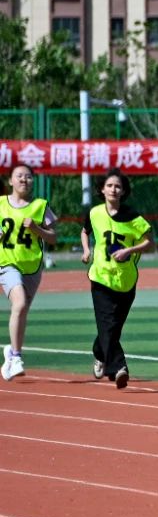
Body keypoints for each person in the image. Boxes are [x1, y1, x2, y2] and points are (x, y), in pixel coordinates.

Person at [79, 168, 153, 389]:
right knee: (107, 324)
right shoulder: (94, 213)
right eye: (109, 185)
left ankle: (99, 352)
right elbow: (84, 231)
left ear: (123, 191)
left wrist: (129, 250)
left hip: (126, 280)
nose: (113, 189)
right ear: (102, 189)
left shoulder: (133, 217)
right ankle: (120, 367)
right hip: (101, 278)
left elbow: (149, 241)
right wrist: (86, 250)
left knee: (113, 328)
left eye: (118, 186)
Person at [0, 163, 57, 380]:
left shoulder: (40, 206)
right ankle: (16, 357)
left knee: (22, 310)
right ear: (10, 181)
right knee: (20, 303)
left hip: (32, 267)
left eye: (28, 176)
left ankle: (10, 354)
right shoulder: (0, 204)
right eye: (19, 176)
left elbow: (53, 237)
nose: (24, 179)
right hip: (7, 264)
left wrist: (36, 228)